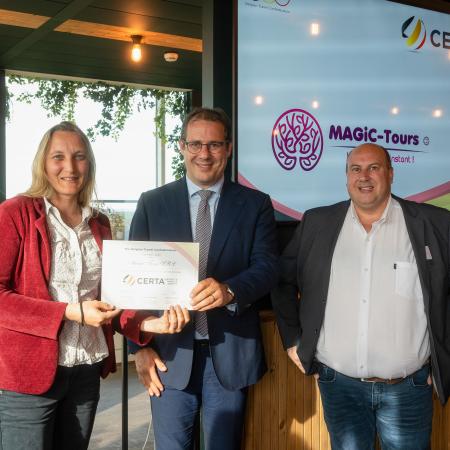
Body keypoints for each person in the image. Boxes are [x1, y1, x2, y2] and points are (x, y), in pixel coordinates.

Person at [0, 121, 190, 450]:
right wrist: (69, 312)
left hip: (86, 372)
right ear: (43, 162)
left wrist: (150, 323)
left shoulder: (99, 223)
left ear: (89, 163)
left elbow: (112, 298)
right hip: (27, 377)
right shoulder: (15, 213)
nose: (70, 167)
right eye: (58, 157)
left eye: (79, 156)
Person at [272, 142, 450, 450]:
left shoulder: (434, 223)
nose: (364, 176)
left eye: (373, 168)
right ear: (346, 177)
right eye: (356, 169)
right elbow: (281, 279)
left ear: (390, 174)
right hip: (339, 386)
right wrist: (292, 340)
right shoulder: (318, 223)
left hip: (409, 389)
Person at [128, 107, 279, 450]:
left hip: (229, 356)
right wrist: (139, 347)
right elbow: (133, 281)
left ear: (228, 148)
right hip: (167, 355)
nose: (204, 154)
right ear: (182, 146)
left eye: (214, 145)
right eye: (195, 144)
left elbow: (268, 267)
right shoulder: (152, 203)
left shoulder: (255, 204)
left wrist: (230, 291)